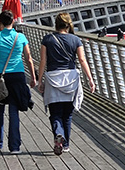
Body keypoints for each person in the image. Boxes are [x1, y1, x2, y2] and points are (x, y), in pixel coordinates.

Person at [36, 13, 96, 155]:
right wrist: (90, 79)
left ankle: (58, 133)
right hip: (71, 80)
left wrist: (40, 80)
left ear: (55, 24)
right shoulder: (76, 40)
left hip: (52, 79)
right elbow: (82, 60)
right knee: (67, 115)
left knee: (55, 113)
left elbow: (43, 61)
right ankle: (66, 144)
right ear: (69, 25)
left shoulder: (48, 39)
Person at [0, 10, 36, 153]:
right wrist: (33, 77)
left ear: (0, 22)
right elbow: (29, 58)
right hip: (18, 76)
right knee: (14, 110)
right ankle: (14, 147)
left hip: (0, 77)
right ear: (13, 21)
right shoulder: (20, 37)